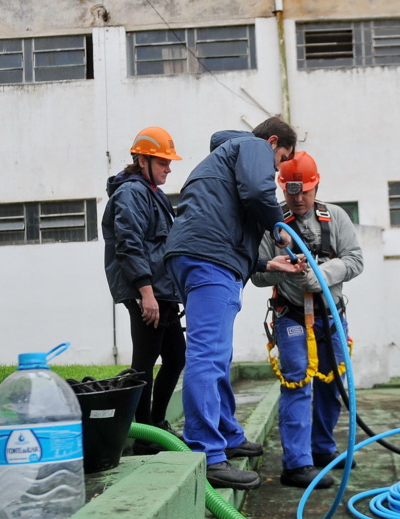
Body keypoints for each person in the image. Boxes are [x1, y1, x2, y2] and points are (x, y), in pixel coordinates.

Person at [164, 116, 301, 490]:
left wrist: (264, 262)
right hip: (210, 261)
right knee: (208, 355)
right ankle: (209, 454)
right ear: (273, 142)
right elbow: (258, 193)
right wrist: (278, 227)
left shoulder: (229, 155)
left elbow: (224, 221)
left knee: (218, 355)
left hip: (200, 255)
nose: (275, 170)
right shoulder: (254, 147)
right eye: (280, 160)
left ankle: (227, 434)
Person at [250, 152, 364, 489]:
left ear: (316, 186)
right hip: (293, 316)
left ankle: (322, 449)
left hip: (331, 316)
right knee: (298, 382)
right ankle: (296, 463)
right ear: (283, 189)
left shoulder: (336, 218)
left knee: (332, 382)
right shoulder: (273, 225)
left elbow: (356, 260)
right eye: (291, 192)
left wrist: (323, 274)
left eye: (305, 192)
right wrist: (280, 267)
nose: (298, 199)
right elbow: (257, 274)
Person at [101, 127, 187, 451]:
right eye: (163, 161)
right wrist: (145, 293)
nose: (169, 168)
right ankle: (143, 435)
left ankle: (156, 423)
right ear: (143, 159)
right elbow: (129, 244)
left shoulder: (151, 192)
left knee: (176, 357)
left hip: (161, 291)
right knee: (144, 363)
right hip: (146, 292)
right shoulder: (131, 193)